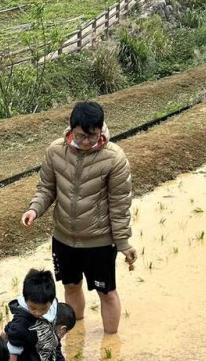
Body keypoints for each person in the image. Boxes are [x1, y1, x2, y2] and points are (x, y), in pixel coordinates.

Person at [21, 101, 137, 334]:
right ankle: (74, 337)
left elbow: (119, 204)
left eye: (91, 136)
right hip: (64, 239)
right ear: (71, 128)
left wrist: (123, 243)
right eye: (81, 135)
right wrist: (34, 209)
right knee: (71, 287)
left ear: (101, 130)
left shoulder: (114, 158)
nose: (86, 142)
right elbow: (46, 188)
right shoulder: (55, 151)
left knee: (107, 292)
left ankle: (111, 346)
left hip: (100, 241)